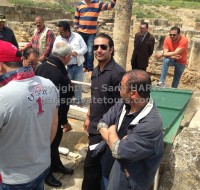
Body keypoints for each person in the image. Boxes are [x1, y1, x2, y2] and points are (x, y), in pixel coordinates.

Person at [0, 40, 59, 190]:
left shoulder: (3, 96)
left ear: (1, 65)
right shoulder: (49, 84)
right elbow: (54, 124)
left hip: (12, 178)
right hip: (42, 165)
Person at [98, 70, 164, 190]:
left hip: (126, 183)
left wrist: (111, 130)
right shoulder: (123, 103)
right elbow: (102, 123)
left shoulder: (151, 125)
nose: (118, 89)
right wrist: (114, 143)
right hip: (107, 169)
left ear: (133, 93)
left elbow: (119, 151)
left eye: (121, 87)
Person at [82, 33, 125, 190]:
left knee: (90, 168)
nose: (98, 50)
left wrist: (111, 131)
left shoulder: (117, 74)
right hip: (94, 125)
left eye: (103, 47)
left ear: (111, 49)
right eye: (95, 47)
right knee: (96, 168)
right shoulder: (96, 71)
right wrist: (88, 116)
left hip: (105, 129)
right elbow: (94, 96)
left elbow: (122, 105)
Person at [36, 41, 74, 188]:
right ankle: (47, 173)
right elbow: (63, 104)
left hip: (40, 113)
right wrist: (64, 122)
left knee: (53, 145)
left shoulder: (42, 67)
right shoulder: (59, 75)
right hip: (53, 117)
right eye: (70, 56)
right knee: (50, 144)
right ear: (64, 57)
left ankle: (56, 164)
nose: (70, 58)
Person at [74, 0, 117, 73]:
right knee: (83, 50)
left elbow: (108, 7)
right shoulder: (80, 4)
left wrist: (114, 1)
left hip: (91, 32)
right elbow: (76, 17)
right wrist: (76, 27)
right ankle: (85, 66)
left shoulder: (97, 3)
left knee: (90, 51)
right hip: (81, 32)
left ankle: (90, 68)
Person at [53, 21, 87, 105]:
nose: (60, 33)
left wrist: (77, 52)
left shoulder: (77, 37)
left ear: (67, 30)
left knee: (78, 86)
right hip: (65, 67)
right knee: (67, 86)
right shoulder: (58, 39)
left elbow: (85, 48)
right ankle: (67, 102)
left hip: (78, 66)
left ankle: (78, 102)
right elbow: (54, 52)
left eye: (61, 32)